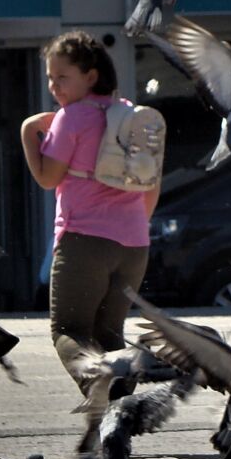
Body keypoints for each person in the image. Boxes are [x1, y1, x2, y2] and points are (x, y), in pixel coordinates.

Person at [20, 30, 160, 392]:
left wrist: (27, 132)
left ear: (91, 76)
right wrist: (134, 225)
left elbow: (48, 178)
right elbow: (151, 183)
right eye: (50, 77)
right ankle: (120, 420)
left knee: (69, 331)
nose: (54, 85)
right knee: (110, 335)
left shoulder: (71, 117)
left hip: (84, 243)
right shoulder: (130, 115)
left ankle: (99, 391)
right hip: (134, 246)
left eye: (62, 76)